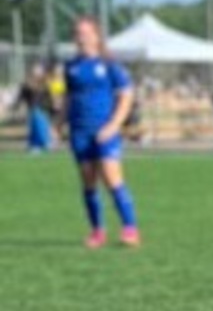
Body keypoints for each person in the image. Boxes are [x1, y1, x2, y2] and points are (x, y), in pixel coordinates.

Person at [64, 16, 141, 247]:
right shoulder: (71, 66)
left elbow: (126, 96)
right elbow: (69, 96)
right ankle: (97, 231)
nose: (81, 38)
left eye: (86, 33)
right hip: (80, 131)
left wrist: (114, 125)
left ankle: (130, 228)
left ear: (97, 36)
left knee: (112, 178)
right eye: (78, 33)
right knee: (88, 182)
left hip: (105, 130)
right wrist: (60, 120)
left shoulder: (109, 65)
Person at [13, 63, 55, 152]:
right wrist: (16, 107)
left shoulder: (44, 84)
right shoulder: (27, 84)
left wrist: (52, 108)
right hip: (33, 108)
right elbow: (20, 97)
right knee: (35, 125)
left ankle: (42, 143)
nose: (37, 74)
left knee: (40, 125)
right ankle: (36, 145)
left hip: (43, 109)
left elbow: (49, 97)